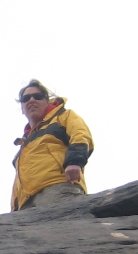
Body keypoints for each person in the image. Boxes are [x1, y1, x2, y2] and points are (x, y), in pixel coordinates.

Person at [10, 80, 93, 211]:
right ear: (22, 107)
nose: (31, 100)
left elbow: (81, 135)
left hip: (57, 188)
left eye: (37, 96)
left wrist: (74, 161)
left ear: (46, 100)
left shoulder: (63, 116)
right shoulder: (25, 142)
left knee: (68, 227)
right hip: (26, 202)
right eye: (26, 98)